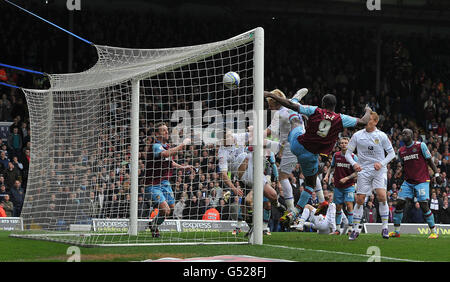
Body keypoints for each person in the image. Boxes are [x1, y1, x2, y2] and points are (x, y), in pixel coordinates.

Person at [264, 90, 371, 226]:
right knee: (310, 184)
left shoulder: (316, 110)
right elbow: (363, 122)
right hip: (310, 154)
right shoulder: (340, 118)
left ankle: (296, 102)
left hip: (296, 144)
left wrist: (272, 95)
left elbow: (291, 106)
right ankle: (296, 211)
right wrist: (368, 110)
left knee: (295, 116)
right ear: (334, 105)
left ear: (322, 104)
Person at [344, 112, 396, 240]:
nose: (367, 121)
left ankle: (385, 228)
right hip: (364, 171)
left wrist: (381, 163)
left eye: (370, 120)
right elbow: (348, 153)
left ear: (375, 122)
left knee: (382, 195)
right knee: (360, 199)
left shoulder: (381, 136)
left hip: (379, 170)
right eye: (366, 119)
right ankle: (355, 230)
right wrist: (354, 163)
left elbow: (392, 153)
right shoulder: (357, 135)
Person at [144, 122, 193, 237]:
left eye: (167, 130)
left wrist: (183, 167)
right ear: (157, 134)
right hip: (152, 184)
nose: (166, 132)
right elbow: (165, 154)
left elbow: (170, 161)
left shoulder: (166, 146)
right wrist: (182, 145)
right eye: (163, 130)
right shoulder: (156, 146)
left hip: (164, 182)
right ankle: (154, 226)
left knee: (170, 209)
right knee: (166, 210)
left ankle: (153, 224)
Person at [389, 128, 439, 239]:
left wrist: (436, 174)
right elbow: (404, 165)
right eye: (402, 133)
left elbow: (430, 160)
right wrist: (399, 172)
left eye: (406, 133)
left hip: (421, 181)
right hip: (408, 181)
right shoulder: (401, 151)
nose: (403, 134)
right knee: (399, 203)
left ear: (412, 135)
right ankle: (396, 232)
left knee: (423, 205)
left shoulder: (421, 145)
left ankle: (434, 231)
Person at [265, 88, 308, 214]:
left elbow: (269, 131)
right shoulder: (294, 105)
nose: (270, 108)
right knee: (309, 173)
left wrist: (252, 135)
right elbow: (297, 98)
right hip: (303, 140)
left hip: (291, 144)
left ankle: (290, 208)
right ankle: (321, 199)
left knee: (282, 176)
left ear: (277, 103)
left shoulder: (280, 114)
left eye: (270, 105)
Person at [323, 137, 358, 234]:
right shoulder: (336, 155)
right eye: (341, 143)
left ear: (349, 144)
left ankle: (350, 229)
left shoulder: (353, 156)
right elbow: (332, 167)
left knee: (349, 205)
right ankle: (338, 229)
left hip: (349, 185)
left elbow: (357, 172)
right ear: (339, 144)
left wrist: (347, 178)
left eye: (345, 143)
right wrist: (327, 175)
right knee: (338, 207)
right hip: (338, 186)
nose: (343, 144)